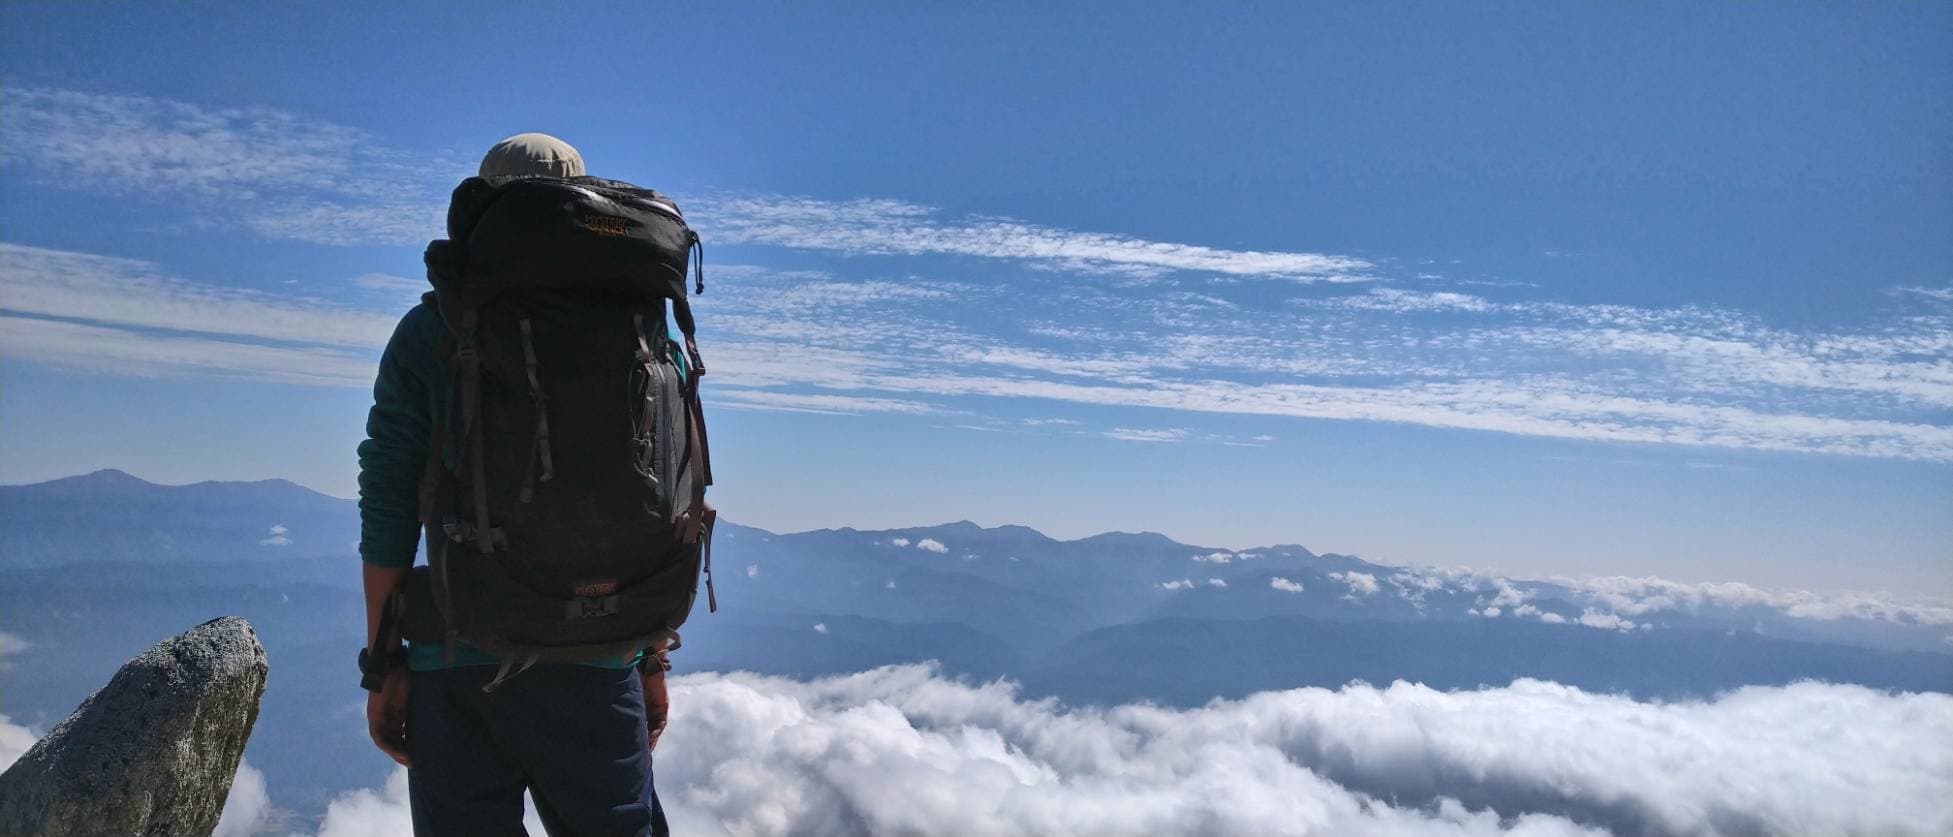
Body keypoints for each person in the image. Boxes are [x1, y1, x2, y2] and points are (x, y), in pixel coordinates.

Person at [358, 133, 674, 837]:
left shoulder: (429, 330)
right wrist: (649, 659)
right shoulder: (644, 328)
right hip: (599, 647)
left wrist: (383, 664)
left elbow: (387, 499)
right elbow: (653, 504)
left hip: (457, 648)